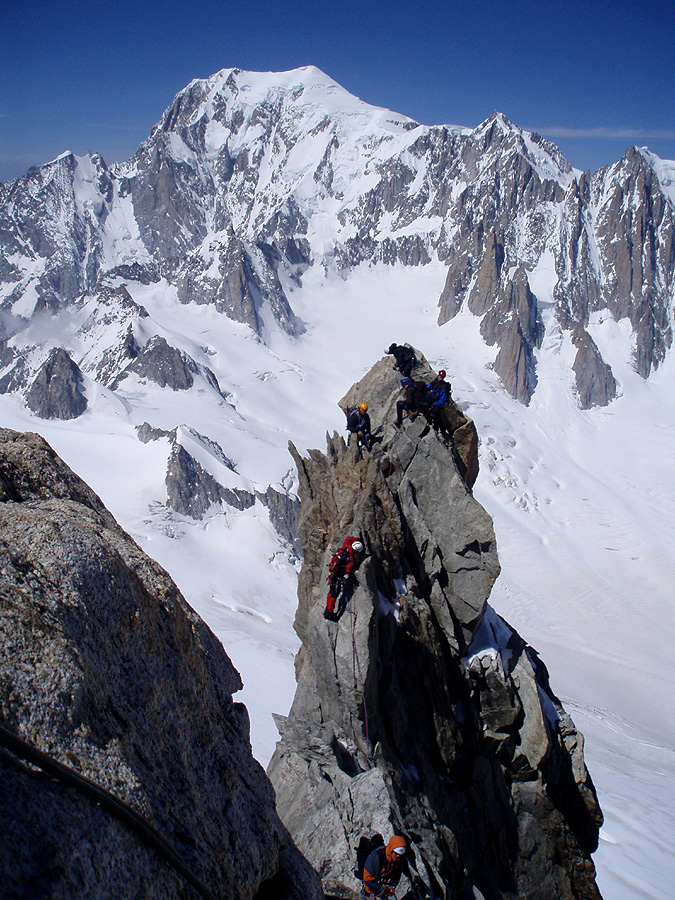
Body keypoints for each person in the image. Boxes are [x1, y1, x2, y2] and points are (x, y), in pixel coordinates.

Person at [324, 536, 363, 621]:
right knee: (334, 594)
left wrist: (357, 539)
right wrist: (355, 567)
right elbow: (348, 571)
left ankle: (327, 609)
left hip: (331, 573)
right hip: (337, 576)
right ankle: (329, 613)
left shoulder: (345, 547)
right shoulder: (351, 557)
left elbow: (348, 538)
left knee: (331, 591)